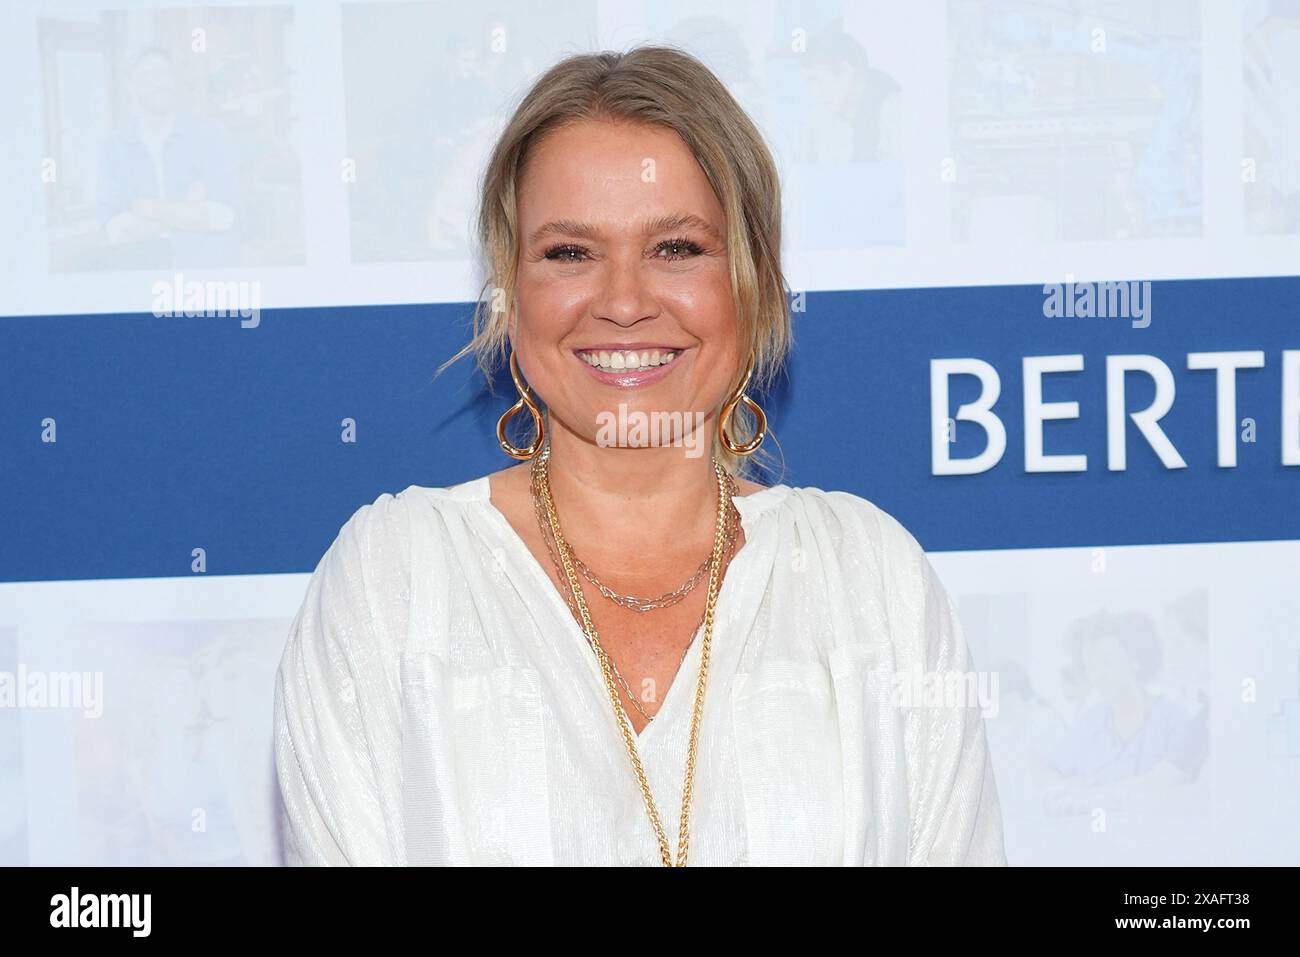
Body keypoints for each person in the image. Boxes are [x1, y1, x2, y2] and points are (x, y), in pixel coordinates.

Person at [273, 44, 1006, 866]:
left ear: (755, 281)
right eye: (569, 252)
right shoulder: (395, 583)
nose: (624, 301)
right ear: (510, 295)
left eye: (676, 248)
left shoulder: (870, 581)